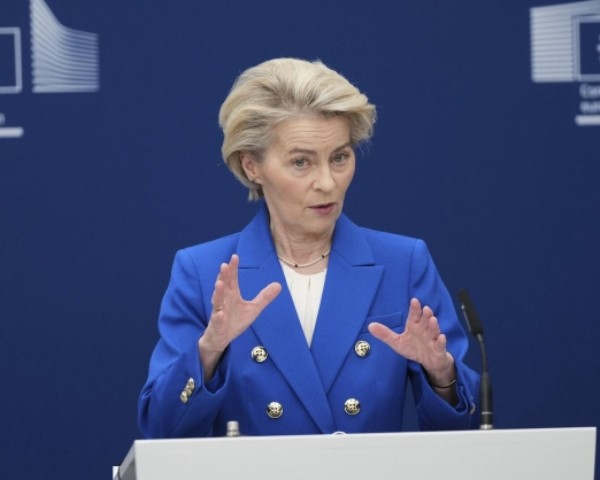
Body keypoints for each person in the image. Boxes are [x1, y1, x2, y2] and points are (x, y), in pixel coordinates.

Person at [138, 57, 479, 438]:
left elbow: (463, 436)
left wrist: (442, 375)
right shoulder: (204, 273)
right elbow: (162, 432)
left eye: (340, 158)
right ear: (252, 166)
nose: (327, 183)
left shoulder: (403, 264)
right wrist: (208, 351)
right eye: (301, 162)